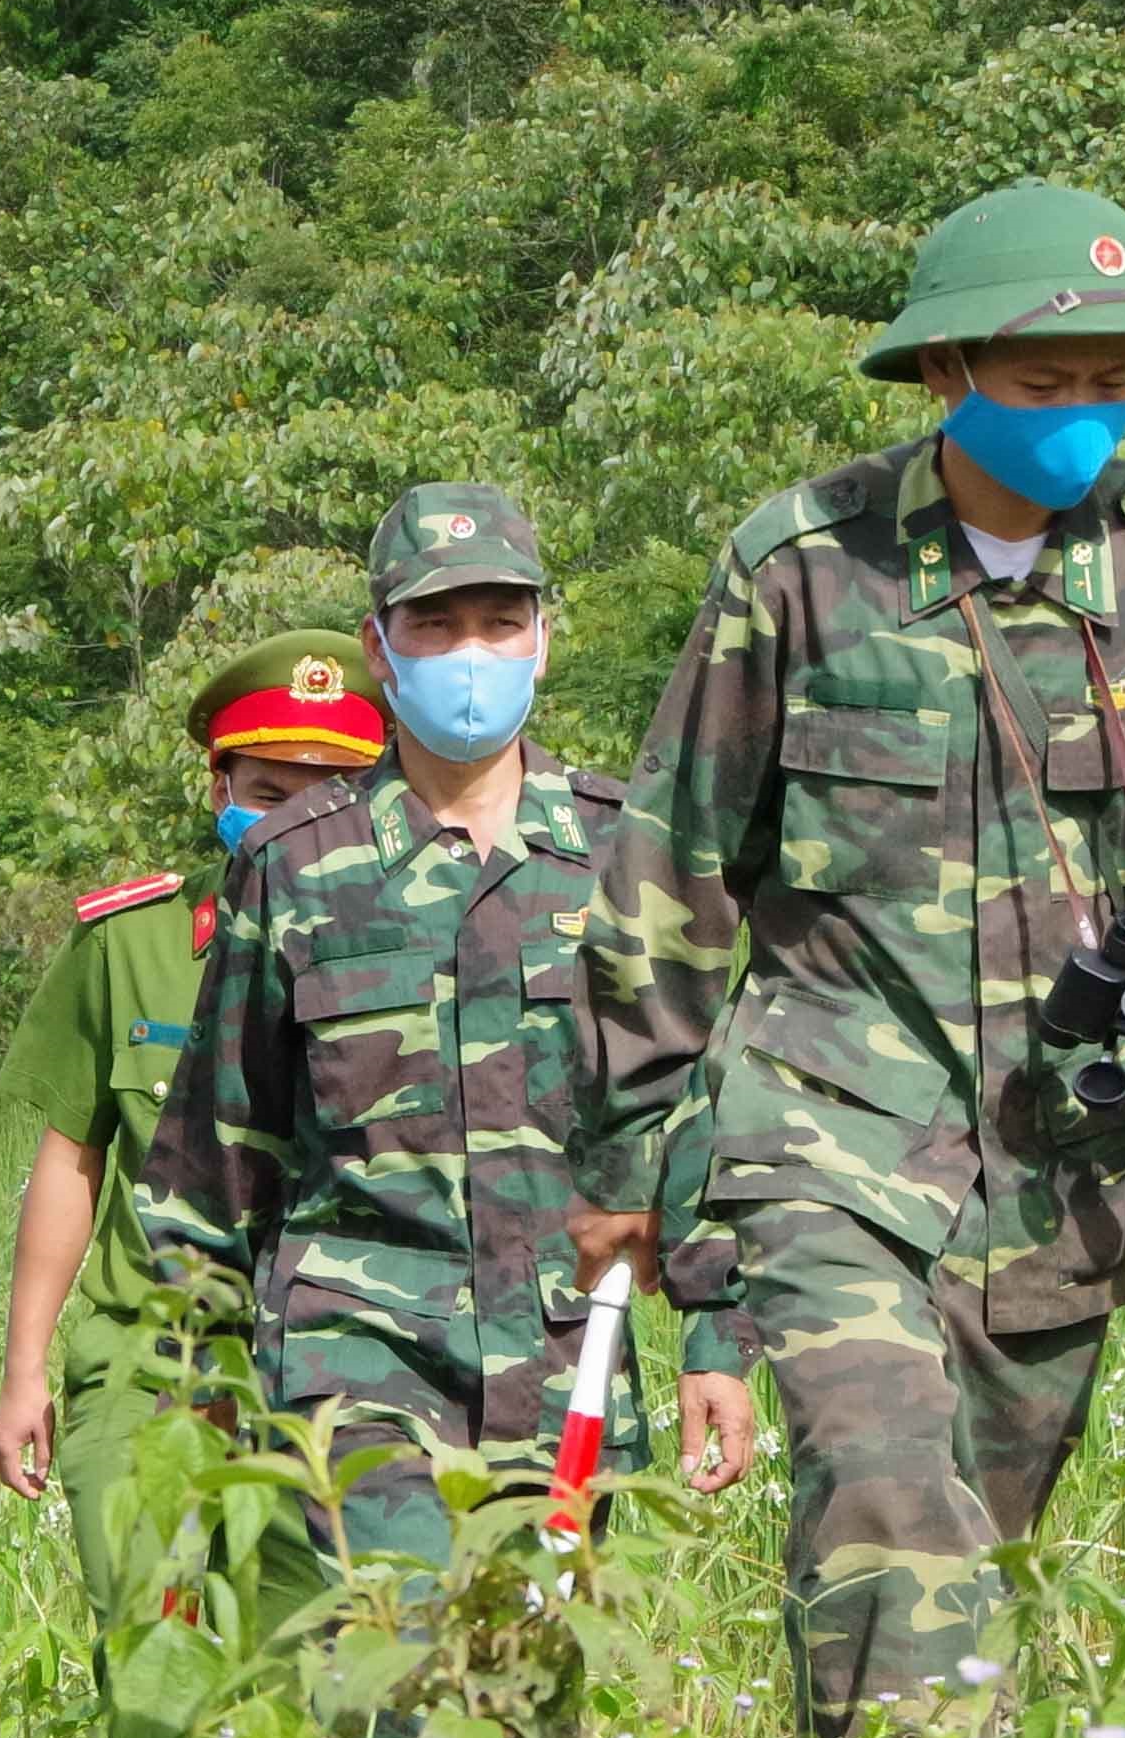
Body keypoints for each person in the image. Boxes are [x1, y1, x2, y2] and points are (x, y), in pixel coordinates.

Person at [567, 180, 1125, 1738]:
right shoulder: (805, 569)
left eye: (1113, 382)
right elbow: (670, 876)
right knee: (882, 1494)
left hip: (1060, 1168)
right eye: (1041, 382)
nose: (1083, 412)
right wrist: (634, 1166)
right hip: (829, 1128)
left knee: (969, 1566)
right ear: (945, 377)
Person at [136, 485, 737, 1579]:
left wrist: (714, 1333)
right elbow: (216, 1151)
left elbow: (685, 1102)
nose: (471, 651)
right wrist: (199, 1383)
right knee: (405, 1700)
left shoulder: (619, 854)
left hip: (565, 1360)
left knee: (537, 1716)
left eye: (499, 622)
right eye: (435, 623)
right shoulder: (293, 863)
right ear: (379, 645)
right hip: (355, 1361)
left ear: (542, 639)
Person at [0, 631, 388, 1738]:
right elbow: (70, 1155)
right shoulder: (132, 942)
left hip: (330, 1365)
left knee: (321, 1672)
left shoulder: (414, 944)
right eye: (265, 793)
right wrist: (24, 1370)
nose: (292, 820)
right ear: (217, 788)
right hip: (145, 1360)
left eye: (329, 795)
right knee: (152, 1659)